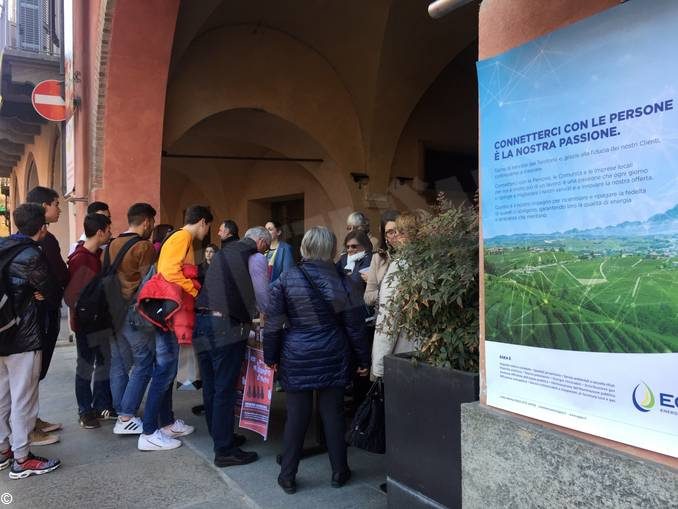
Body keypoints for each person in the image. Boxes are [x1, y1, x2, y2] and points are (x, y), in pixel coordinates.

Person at [264, 227, 370, 494]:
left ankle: (287, 475)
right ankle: (339, 471)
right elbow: (355, 326)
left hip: (297, 353)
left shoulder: (287, 279)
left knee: (297, 417)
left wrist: (271, 356)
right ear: (331, 249)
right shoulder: (344, 280)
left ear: (305, 247)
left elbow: (273, 325)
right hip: (333, 351)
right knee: (332, 415)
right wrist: (362, 358)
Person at [137, 206, 212, 451]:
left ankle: (166, 423)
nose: (208, 231)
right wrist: (195, 291)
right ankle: (149, 431)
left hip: (170, 313)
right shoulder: (182, 237)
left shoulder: (178, 237)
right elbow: (169, 272)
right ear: (202, 222)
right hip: (171, 314)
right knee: (165, 372)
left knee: (166, 371)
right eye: (208, 226)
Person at [0, 203, 61, 478]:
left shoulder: (3, 247)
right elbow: (50, 291)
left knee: (2, 395)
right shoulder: (30, 255)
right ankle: (22, 458)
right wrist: (41, 296)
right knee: (24, 397)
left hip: (2, 331)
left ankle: (3, 449)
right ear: (42, 227)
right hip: (23, 336)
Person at [107, 203, 157, 435]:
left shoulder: (111, 244)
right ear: (146, 221)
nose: (153, 227)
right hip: (133, 313)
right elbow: (149, 281)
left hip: (112, 311)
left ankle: (120, 412)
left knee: (118, 364)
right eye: (152, 223)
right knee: (143, 362)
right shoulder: (144, 246)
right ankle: (126, 416)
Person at [64, 213, 114, 429]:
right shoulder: (80, 258)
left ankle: (101, 405)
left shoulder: (96, 256)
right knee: (85, 366)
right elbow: (72, 295)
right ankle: (85, 411)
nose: (111, 233)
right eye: (109, 229)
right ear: (100, 232)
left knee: (103, 363)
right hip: (86, 323)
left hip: (100, 321)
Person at [25, 186, 67, 438]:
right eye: (56, 203)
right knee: (30, 373)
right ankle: (28, 428)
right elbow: (58, 274)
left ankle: (32, 420)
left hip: (37, 311)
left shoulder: (33, 240)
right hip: (40, 313)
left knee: (31, 374)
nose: (59, 208)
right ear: (43, 207)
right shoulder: (43, 240)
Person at [371, 212, 421, 380]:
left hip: (404, 354)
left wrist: (378, 367)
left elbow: (389, 318)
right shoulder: (437, 261)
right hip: (433, 353)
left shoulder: (400, 266)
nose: (396, 237)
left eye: (401, 232)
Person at [363, 210, 400, 310]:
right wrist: (387, 291)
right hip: (387, 315)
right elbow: (368, 297)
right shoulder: (378, 258)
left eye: (398, 230)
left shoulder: (415, 253)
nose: (396, 235)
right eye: (390, 232)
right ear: (385, 237)